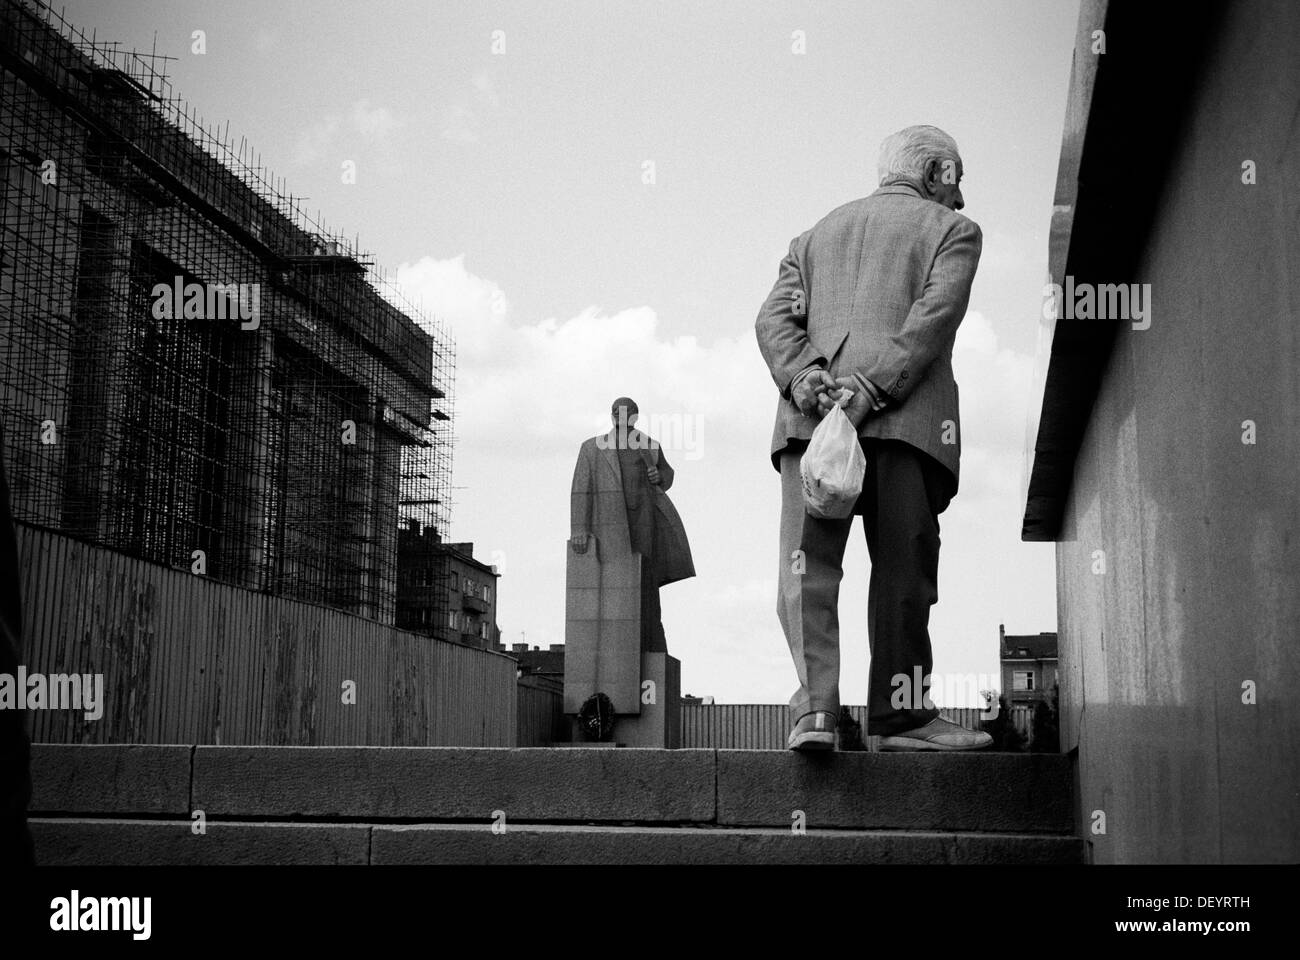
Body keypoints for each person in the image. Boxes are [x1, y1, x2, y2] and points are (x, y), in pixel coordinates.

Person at [755, 124, 993, 752]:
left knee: (806, 569)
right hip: (904, 424)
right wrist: (869, 390)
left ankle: (817, 716)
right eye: (959, 179)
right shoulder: (953, 233)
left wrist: (809, 380)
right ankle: (901, 718)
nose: (961, 198)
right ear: (937, 171)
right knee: (904, 573)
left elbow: (773, 318)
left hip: (813, 428)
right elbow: (930, 324)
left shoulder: (812, 236)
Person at [570, 398, 694, 654]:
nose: (621, 416)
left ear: (635, 417)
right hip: (608, 528)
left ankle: (650, 645)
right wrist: (579, 529)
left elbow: (667, 473)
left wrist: (660, 476)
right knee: (610, 591)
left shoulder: (649, 446)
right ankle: (611, 649)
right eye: (617, 412)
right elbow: (580, 491)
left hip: (644, 524)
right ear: (611, 415)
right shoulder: (592, 449)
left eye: (627, 413)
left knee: (645, 589)